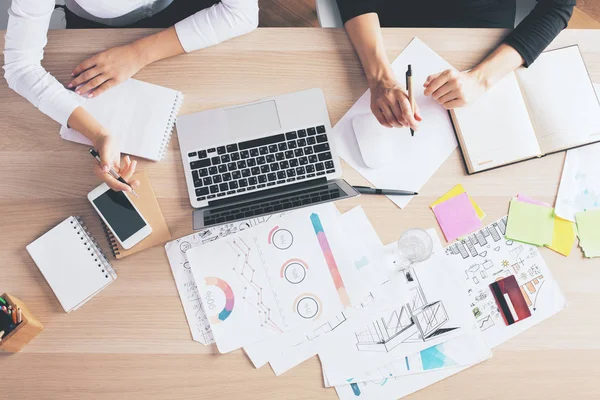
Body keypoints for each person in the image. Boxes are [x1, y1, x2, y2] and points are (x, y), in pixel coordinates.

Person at [4, 0, 259, 191]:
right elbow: (20, 66)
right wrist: (98, 133)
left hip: (190, 14)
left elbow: (242, 13)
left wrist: (139, 54)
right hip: (98, 28)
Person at [336, 0, 575, 130]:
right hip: (389, 26)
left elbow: (558, 6)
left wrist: (480, 79)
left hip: (483, 43)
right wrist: (380, 79)